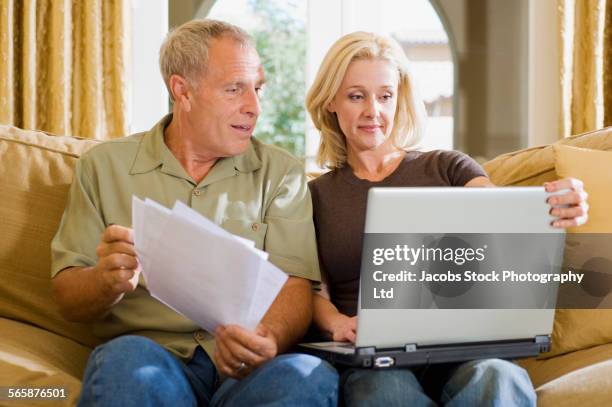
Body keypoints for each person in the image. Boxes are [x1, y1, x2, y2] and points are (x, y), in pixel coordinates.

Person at [50, 19, 338, 407]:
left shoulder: (280, 172)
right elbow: (68, 297)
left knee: (307, 375)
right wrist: (105, 281)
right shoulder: (102, 167)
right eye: (235, 89)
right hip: (153, 358)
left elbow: (296, 285)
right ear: (182, 90)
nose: (254, 107)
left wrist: (267, 337)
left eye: (258, 88)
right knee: (124, 360)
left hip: (247, 373)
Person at [305, 31, 588, 406]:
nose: (374, 110)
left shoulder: (447, 166)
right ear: (331, 102)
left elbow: (502, 215)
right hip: (375, 358)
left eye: (385, 96)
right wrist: (339, 325)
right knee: (384, 393)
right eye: (357, 96)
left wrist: (555, 205)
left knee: (499, 378)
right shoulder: (316, 196)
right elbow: (313, 292)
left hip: (463, 349)